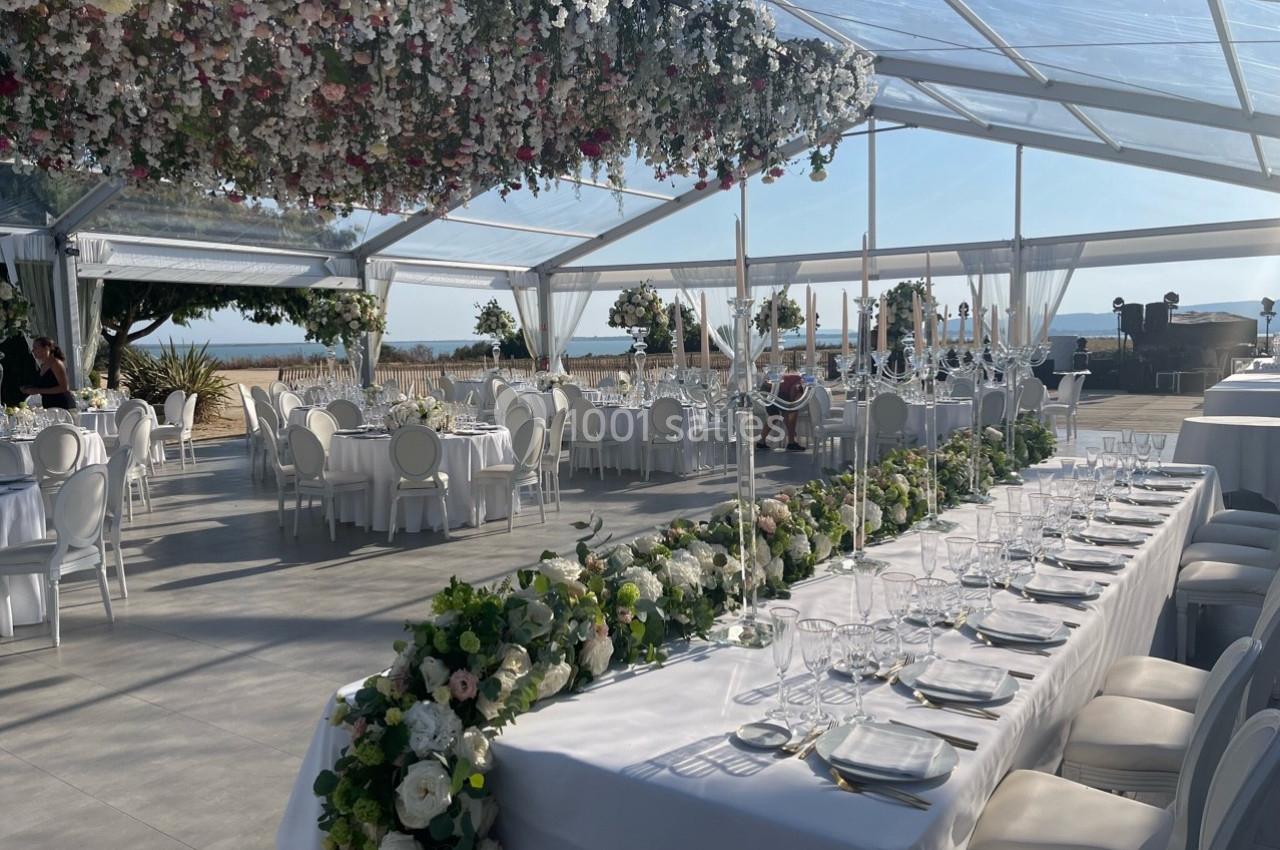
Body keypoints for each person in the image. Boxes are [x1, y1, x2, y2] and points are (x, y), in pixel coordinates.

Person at [757, 366, 805, 452]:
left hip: (770, 389)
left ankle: (761, 442)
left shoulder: (798, 381)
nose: (798, 399)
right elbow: (793, 393)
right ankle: (791, 442)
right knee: (791, 413)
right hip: (771, 389)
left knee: (775, 416)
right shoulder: (798, 383)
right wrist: (791, 430)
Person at [21, 337, 75, 410]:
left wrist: (38, 390)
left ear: (46, 348)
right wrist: (28, 388)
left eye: (35, 348)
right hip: (49, 405)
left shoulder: (56, 363)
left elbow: (64, 388)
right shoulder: (43, 365)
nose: (33, 351)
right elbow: (47, 385)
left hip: (61, 405)